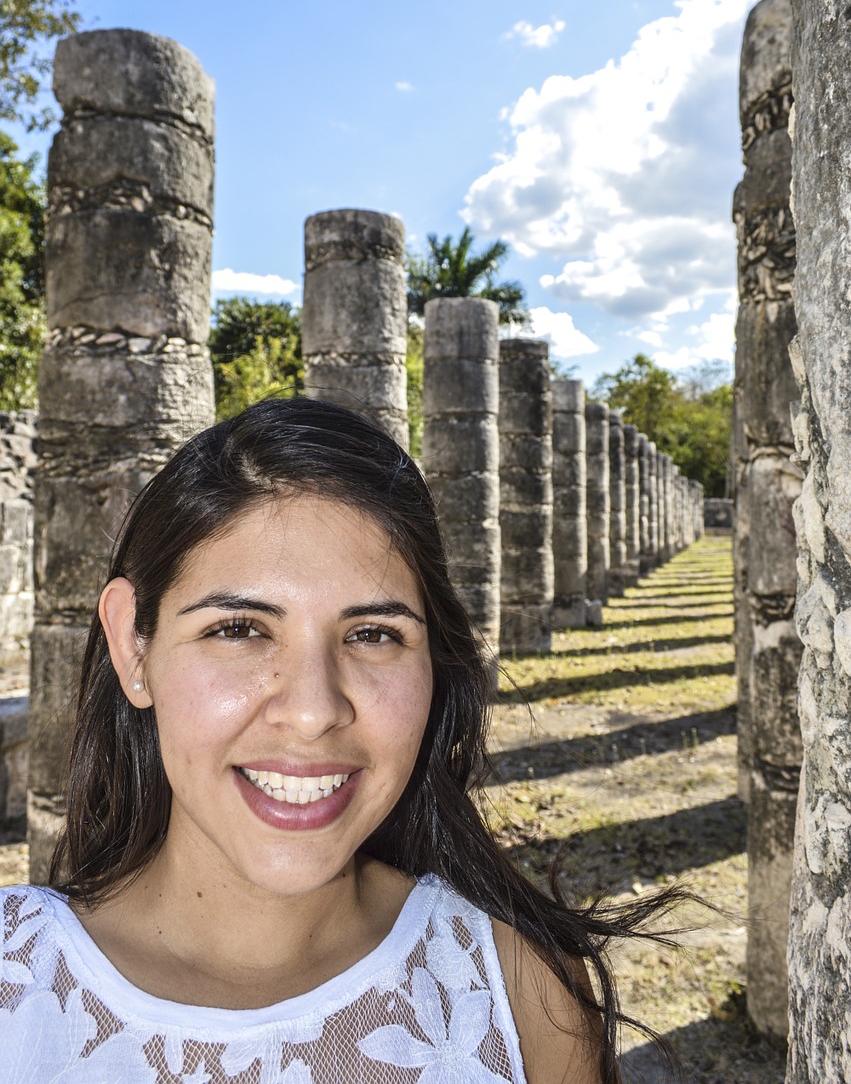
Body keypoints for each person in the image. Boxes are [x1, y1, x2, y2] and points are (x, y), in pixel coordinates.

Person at [0, 397, 674, 1083]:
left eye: (372, 635)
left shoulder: (522, 993)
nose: (312, 711)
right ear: (132, 647)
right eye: (239, 628)